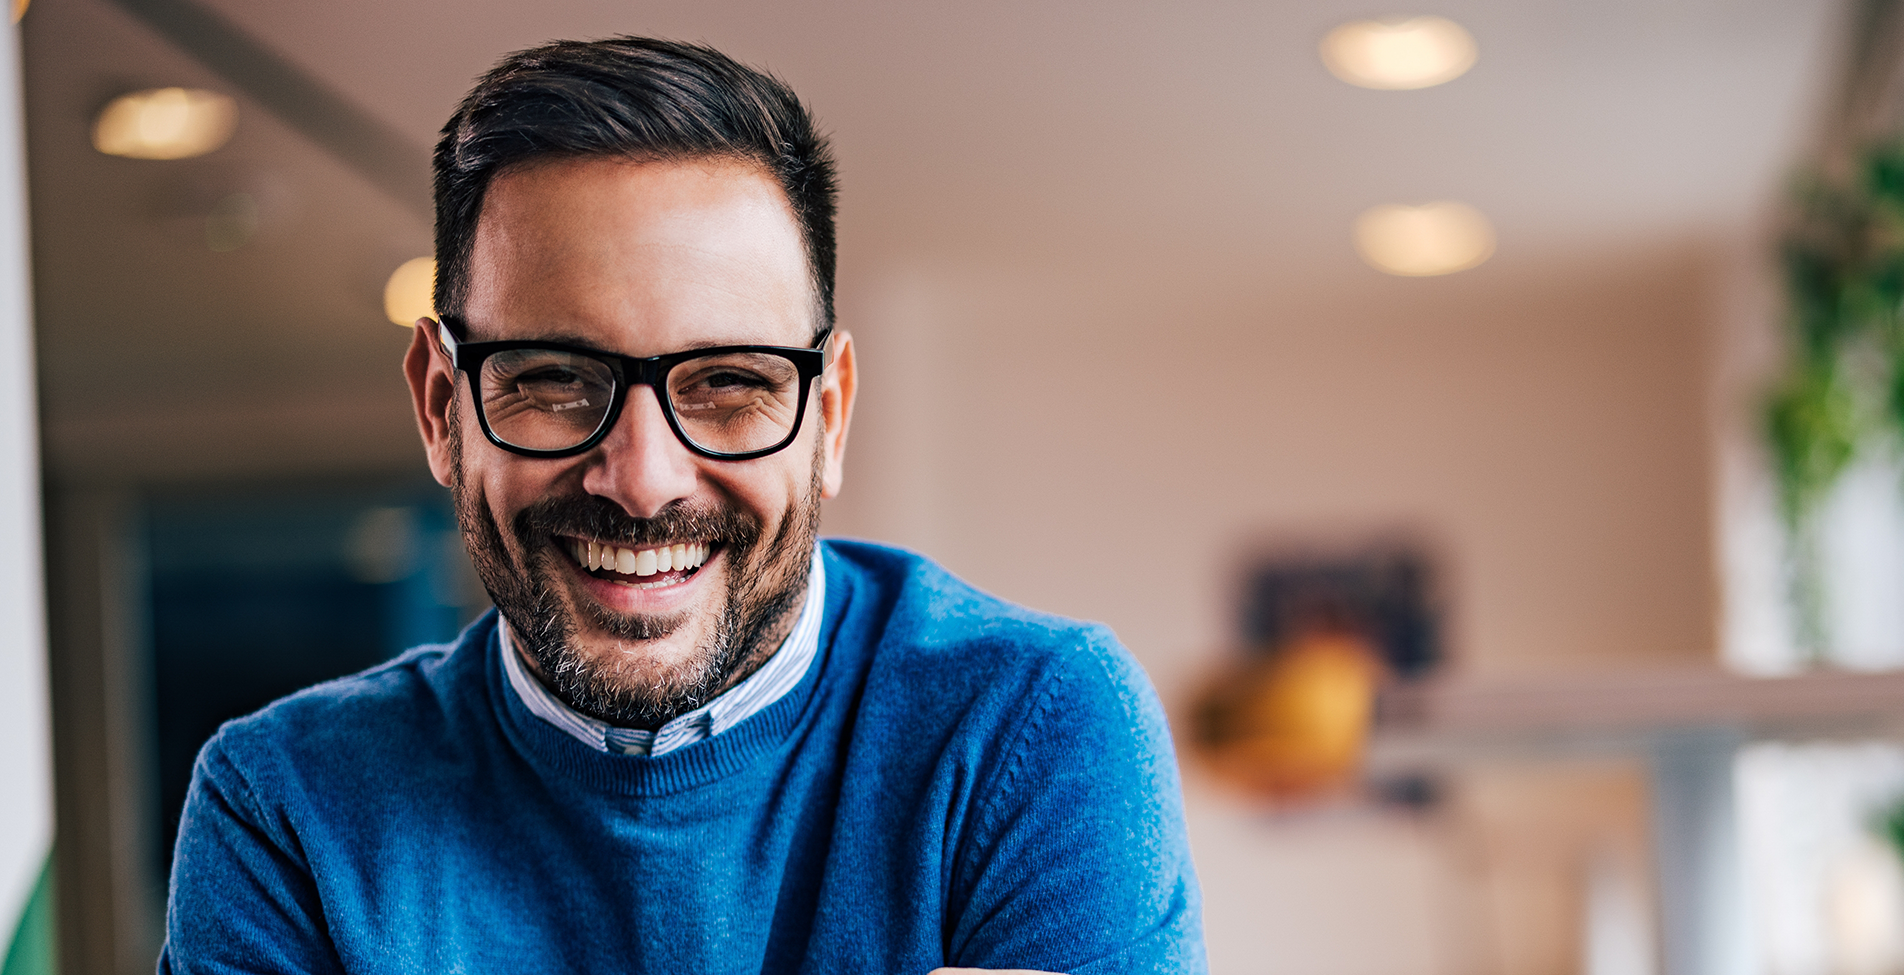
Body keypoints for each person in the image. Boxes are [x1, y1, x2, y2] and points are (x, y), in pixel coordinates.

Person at [159, 36, 1205, 975]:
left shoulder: (1029, 726)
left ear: (829, 416)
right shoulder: (286, 807)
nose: (644, 477)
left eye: (731, 384)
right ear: (442, 405)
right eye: (554, 378)